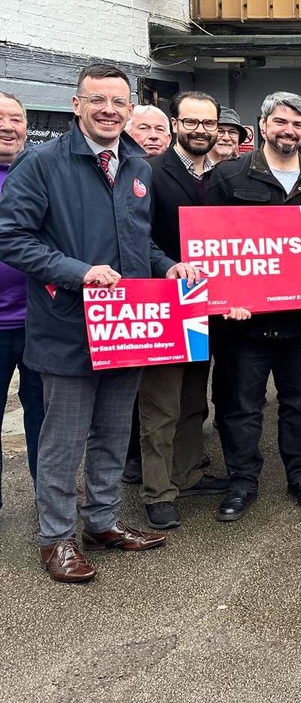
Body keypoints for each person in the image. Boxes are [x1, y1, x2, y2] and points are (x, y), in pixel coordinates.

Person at [0, 63, 198, 583]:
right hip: (68, 327)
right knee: (63, 441)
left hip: (129, 326)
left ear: (129, 109)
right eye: (98, 100)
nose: (109, 109)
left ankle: (103, 521)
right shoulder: (41, 165)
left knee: (112, 434)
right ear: (77, 105)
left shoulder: (136, 165)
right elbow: (11, 238)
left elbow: (139, 241)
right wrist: (78, 273)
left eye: (118, 101)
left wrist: (167, 266)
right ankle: (56, 538)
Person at [206, 92, 301, 521]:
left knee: (299, 403)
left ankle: (299, 474)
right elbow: (211, 244)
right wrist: (225, 298)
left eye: (298, 125)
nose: (290, 131)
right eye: (281, 122)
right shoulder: (228, 178)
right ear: (262, 126)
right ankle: (242, 480)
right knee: (240, 406)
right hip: (243, 324)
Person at [137, 91, 230, 529]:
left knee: (195, 395)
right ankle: (158, 490)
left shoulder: (226, 174)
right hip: (164, 301)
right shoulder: (149, 171)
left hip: (211, 303)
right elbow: (137, 237)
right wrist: (168, 266)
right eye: (191, 122)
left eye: (208, 123)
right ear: (176, 124)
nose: (200, 130)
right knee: (160, 403)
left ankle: (187, 471)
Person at [0, 92, 44, 510]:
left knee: (43, 418)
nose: (7, 126)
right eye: (0, 118)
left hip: (40, 322)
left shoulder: (40, 172)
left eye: (15, 118)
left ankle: (47, 496)